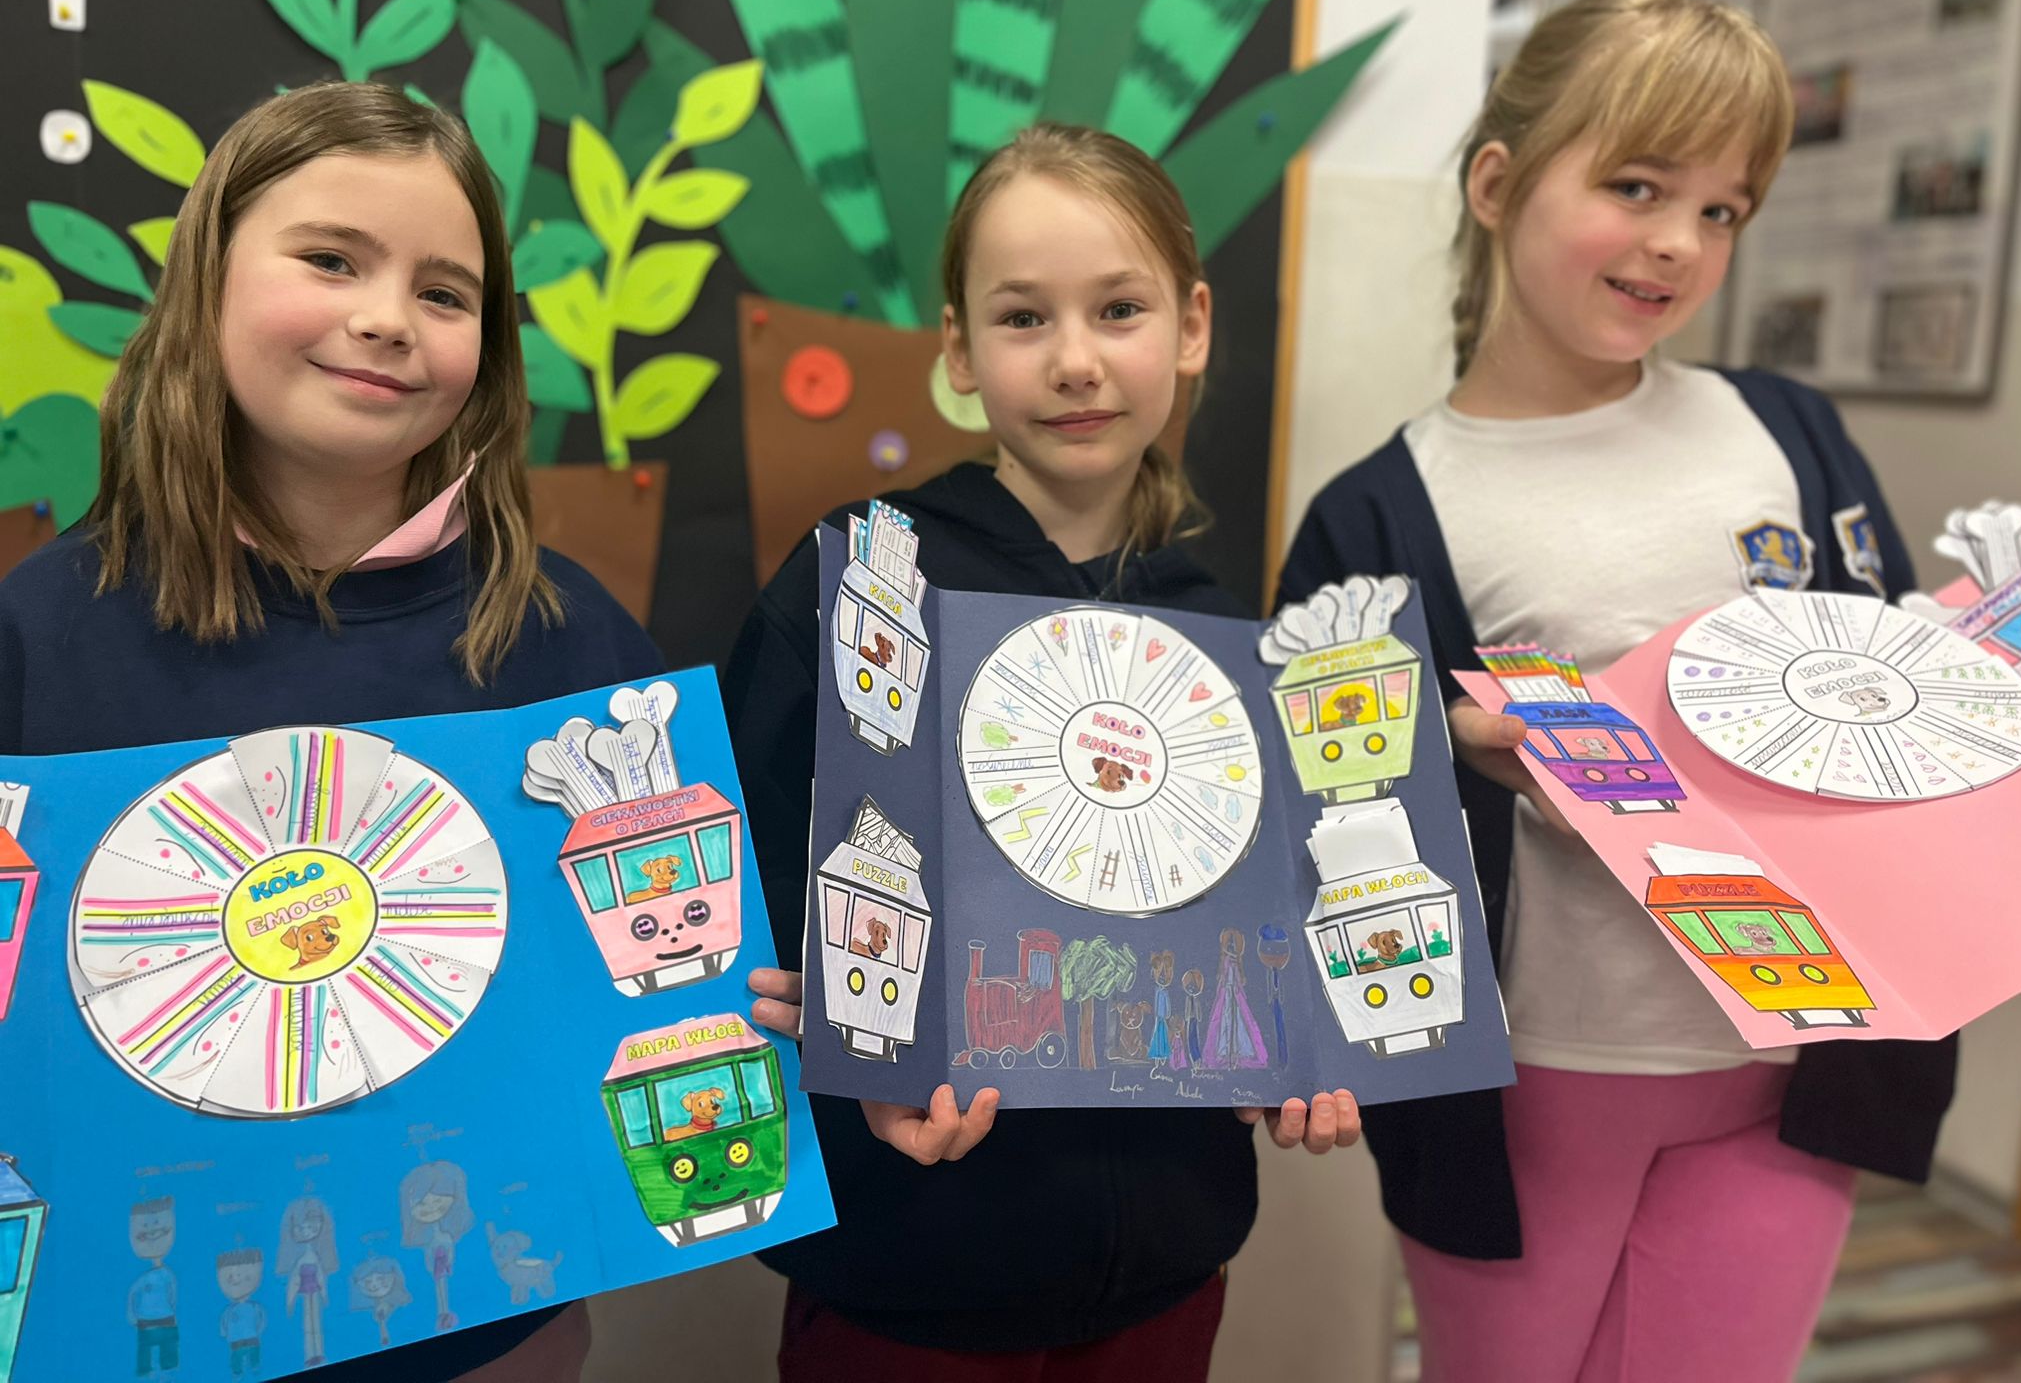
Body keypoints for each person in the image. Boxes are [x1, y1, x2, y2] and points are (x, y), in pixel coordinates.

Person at [1278, 0, 1956, 1383]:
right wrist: (1446, 741)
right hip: (1536, 1081)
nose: (1675, 245)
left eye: (1720, 210)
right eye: (1636, 186)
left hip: (1795, 1064)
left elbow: (1900, 696)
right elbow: (1304, 809)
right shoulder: (1380, 513)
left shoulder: (1791, 433)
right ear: (1496, 184)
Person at [0, 80, 666, 1382]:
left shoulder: (570, 640)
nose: (387, 319)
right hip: (126, 1329)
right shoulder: (39, 636)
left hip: (489, 1338)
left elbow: (661, 957)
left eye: (445, 292)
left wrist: (743, 997)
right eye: (330, 260)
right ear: (206, 279)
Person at [726, 123, 1360, 1381]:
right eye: (1023, 318)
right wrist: (839, 1060)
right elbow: (745, 882)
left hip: (1164, 1272)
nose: (1075, 361)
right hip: (913, 1269)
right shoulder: (867, 584)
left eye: (1118, 310)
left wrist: (1302, 1042)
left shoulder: (1224, 635)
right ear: (959, 350)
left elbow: (1268, 919)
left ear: (1190, 326)